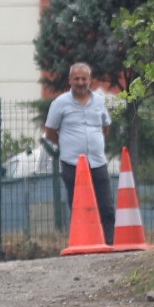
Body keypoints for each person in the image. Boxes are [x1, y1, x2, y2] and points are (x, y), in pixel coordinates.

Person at [44, 61, 116, 243]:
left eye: (84, 78)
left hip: (98, 161)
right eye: (76, 78)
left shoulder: (99, 101)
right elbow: (50, 132)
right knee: (79, 206)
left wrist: (95, 141)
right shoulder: (60, 103)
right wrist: (68, 145)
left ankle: (109, 244)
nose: (80, 82)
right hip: (72, 164)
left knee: (106, 206)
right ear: (70, 80)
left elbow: (106, 126)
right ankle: (83, 242)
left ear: (90, 80)